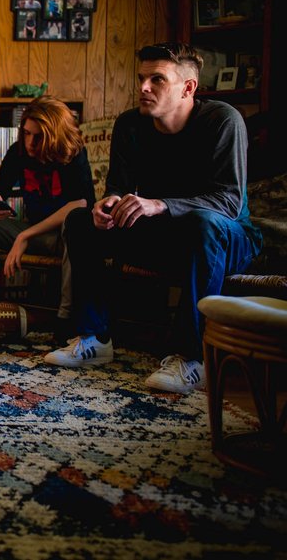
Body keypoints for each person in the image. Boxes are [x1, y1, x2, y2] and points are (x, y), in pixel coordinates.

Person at [44, 42, 262, 394]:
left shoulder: (223, 121)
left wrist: (161, 204)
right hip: (164, 237)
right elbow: (117, 186)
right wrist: (107, 206)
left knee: (202, 224)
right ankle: (95, 338)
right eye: (142, 78)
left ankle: (193, 359)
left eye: (157, 79)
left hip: (225, 238)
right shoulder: (130, 124)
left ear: (188, 88)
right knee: (81, 221)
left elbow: (229, 201)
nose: (143, 88)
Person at [0, 96, 94, 332]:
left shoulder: (74, 154)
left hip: (66, 239)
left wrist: (25, 236)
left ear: (54, 134)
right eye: (26, 133)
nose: (30, 142)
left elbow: (80, 204)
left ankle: (66, 321)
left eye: (38, 136)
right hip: (34, 233)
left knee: (75, 224)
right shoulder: (19, 151)